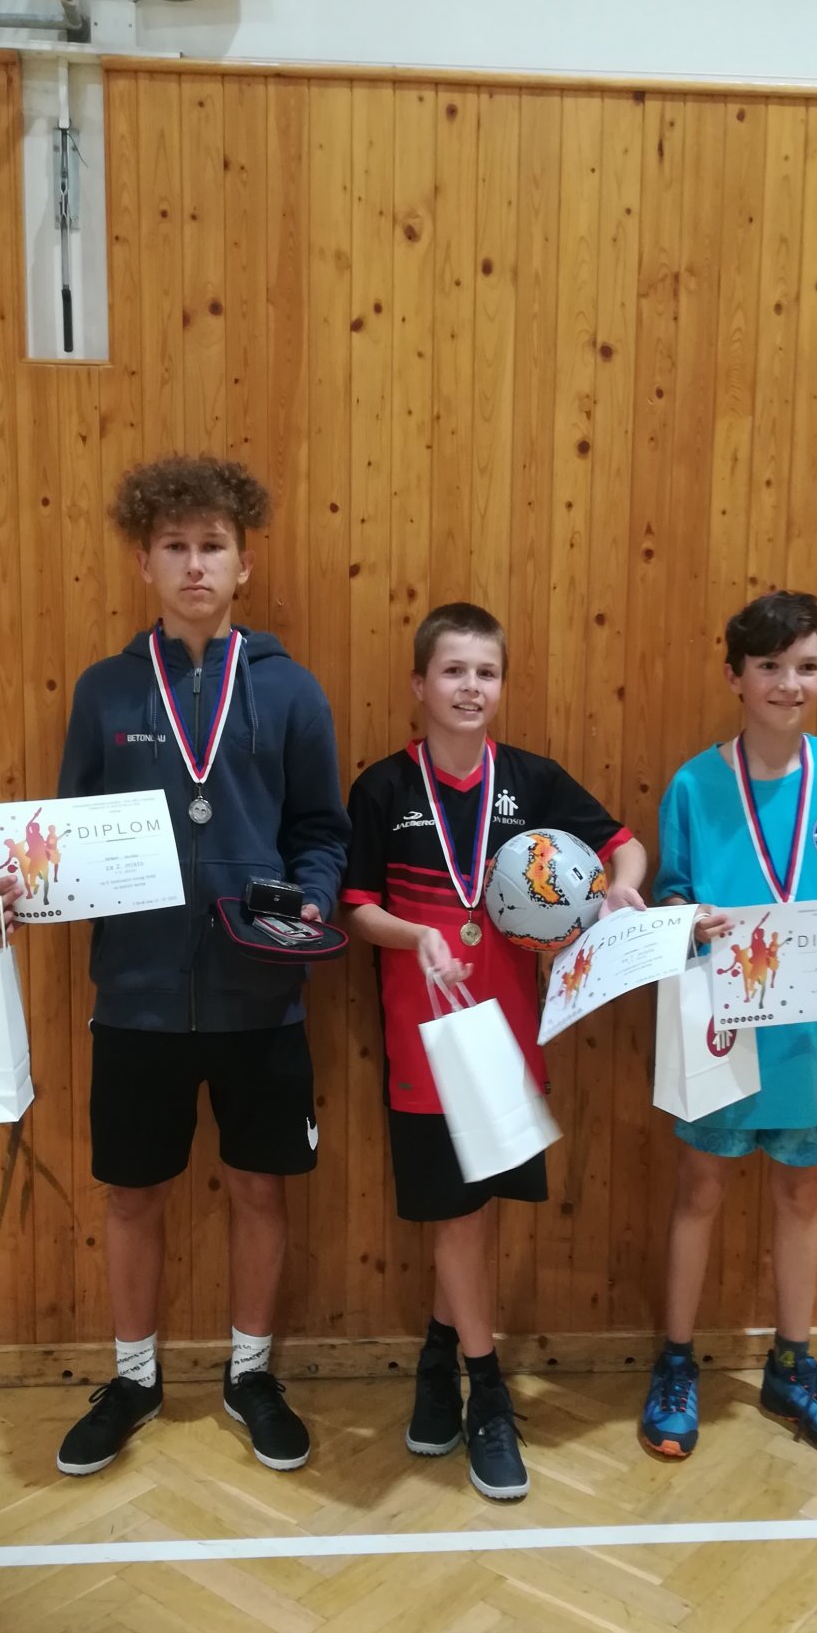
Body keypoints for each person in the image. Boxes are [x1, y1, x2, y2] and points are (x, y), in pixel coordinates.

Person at [0, 455, 349, 1478]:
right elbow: (65, 836)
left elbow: (321, 829)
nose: (195, 565)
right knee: (133, 1195)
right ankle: (135, 1378)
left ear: (244, 563)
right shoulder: (105, 690)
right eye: (175, 547)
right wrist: (24, 883)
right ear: (143, 562)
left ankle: (250, 1374)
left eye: (213, 546)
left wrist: (314, 894)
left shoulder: (291, 691)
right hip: (137, 998)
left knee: (260, 1189)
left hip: (259, 992)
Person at [340, 603, 648, 1501]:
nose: (470, 687)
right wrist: (414, 937)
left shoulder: (533, 781)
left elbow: (623, 847)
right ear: (418, 685)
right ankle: (489, 1393)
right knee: (459, 1220)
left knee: (474, 1218)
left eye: (486, 672)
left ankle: (438, 1363)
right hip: (429, 1040)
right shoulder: (383, 789)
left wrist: (619, 893)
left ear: (502, 685)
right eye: (453, 671)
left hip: (508, 1037)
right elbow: (356, 907)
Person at [640, 591, 817, 1464]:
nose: (788, 683)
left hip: (814, 1028)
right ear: (735, 677)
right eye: (769, 666)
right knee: (700, 1189)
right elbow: (671, 892)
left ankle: (793, 1366)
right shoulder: (694, 785)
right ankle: (676, 1364)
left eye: (806, 666)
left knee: (800, 1193)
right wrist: (688, 917)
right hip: (722, 1024)